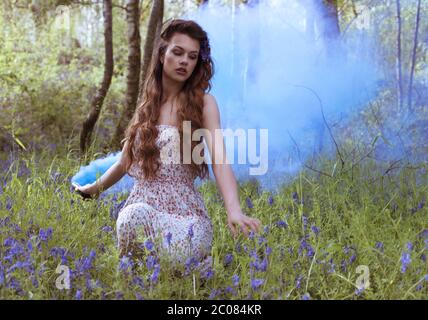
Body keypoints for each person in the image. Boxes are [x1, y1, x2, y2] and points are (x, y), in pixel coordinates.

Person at [72, 19, 261, 271]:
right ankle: (180, 271)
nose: (185, 61)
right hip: (142, 210)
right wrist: (94, 189)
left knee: (162, 257)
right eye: (178, 52)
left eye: (192, 57)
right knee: (131, 219)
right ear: (162, 55)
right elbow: (124, 160)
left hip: (186, 217)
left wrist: (234, 210)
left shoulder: (205, 103)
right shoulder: (147, 104)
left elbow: (219, 160)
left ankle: (185, 267)